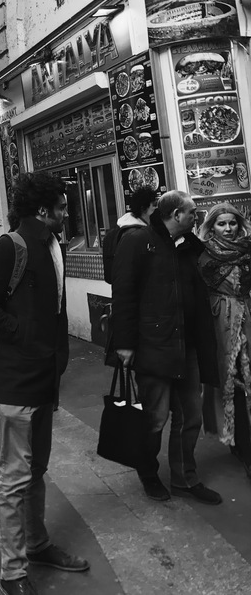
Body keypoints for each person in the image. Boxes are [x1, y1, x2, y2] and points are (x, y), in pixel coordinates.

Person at [0, 172, 89, 595]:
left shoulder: (53, 244)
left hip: (44, 379)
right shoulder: (11, 246)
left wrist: (52, 357)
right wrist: (24, 336)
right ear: (43, 210)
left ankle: (37, 544)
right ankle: (13, 572)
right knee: (14, 478)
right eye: (61, 206)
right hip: (18, 379)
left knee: (36, 469)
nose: (66, 212)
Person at [111, 190, 221, 504]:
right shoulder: (137, 241)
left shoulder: (190, 247)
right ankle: (148, 474)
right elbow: (124, 293)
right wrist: (125, 344)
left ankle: (185, 478)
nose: (196, 217)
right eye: (192, 212)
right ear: (175, 215)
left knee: (190, 416)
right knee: (155, 418)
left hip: (187, 346)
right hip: (152, 347)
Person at [198, 203, 251, 479]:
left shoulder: (247, 249)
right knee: (231, 381)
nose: (228, 229)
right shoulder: (203, 254)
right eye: (222, 224)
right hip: (220, 323)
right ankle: (242, 442)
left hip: (248, 319)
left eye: (232, 223)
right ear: (212, 226)